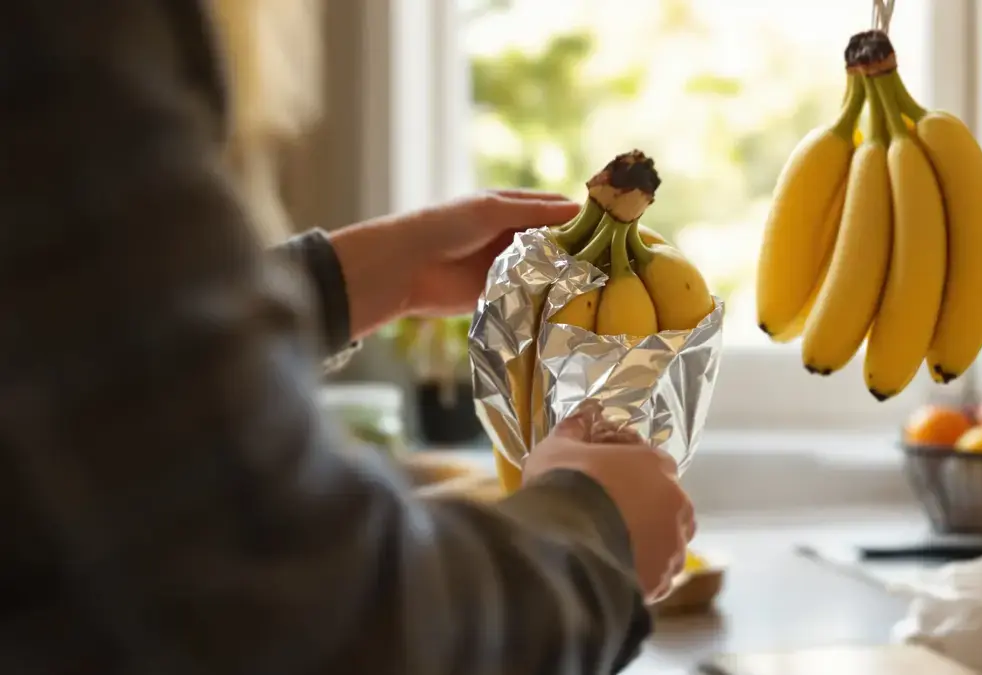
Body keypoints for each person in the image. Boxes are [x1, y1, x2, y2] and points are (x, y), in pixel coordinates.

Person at [0, 1, 694, 673]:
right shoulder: (62, 35)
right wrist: (597, 531)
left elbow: (78, 363)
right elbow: (314, 614)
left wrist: (343, 280)